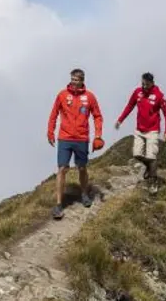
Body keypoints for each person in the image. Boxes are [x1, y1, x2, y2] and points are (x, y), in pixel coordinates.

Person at [47, 67, 104, 220]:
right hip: (64, 138)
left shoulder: (90, 97)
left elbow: (97, 116)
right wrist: (50, 132)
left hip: (81, 139)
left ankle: (84, 194)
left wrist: (98, 136)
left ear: (82, 81)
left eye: (76, 80)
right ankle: (58, 204)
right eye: (72, 79)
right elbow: (53, 114)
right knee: (62, 169)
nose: (73, 82)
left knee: (82, 168)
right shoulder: (62, 95)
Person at [115, 72, 166, 188]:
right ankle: (149, 166)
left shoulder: (159, 96)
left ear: (152, 83)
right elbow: (129, 106)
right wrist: (120, 120)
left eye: (147, 84)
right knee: (136, 154)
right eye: (143, 84)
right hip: (139, 130)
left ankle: (153, 182)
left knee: (151, 156)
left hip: (153, 130)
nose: (144, 86)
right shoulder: (138, 92)